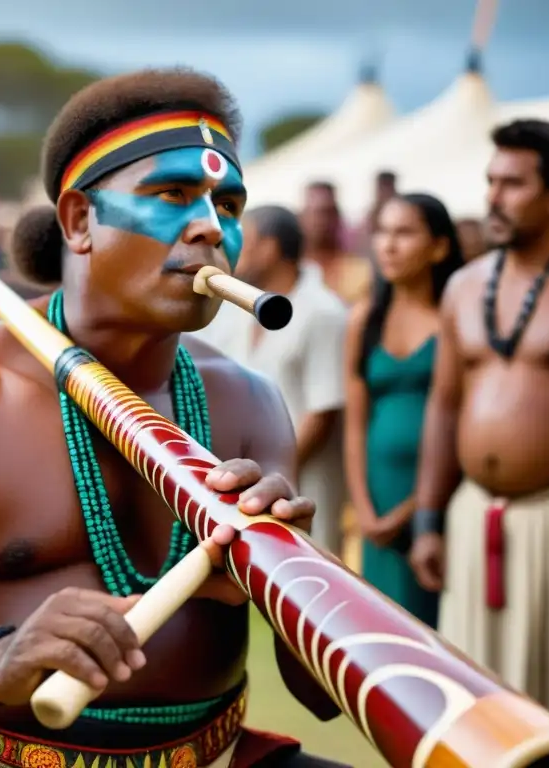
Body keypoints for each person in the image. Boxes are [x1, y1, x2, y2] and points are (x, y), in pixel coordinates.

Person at [0, 68, 349, 768]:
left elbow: (317, 698)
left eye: (228, 204)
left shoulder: (249, 402)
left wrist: (294, 577)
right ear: (80, 220)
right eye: (172, 196)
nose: (211, 226)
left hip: (210, 754)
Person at [407, 119, 549, 735]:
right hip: (473, 516)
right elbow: (445, 406)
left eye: (513, 183)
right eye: (491, 181)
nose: (494, 197)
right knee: (471, 700)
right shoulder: (463, 284)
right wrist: (429, 518)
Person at [195, 205, 348, 555]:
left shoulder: (323, 311)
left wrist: (270, 469)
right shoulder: (241, 311)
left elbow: (322, 414)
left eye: (244, 240)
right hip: (250, 481)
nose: (233, 251)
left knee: (309, 576)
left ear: (269, 247)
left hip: (307, 480)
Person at [343, 193, 464, 627]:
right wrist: (364, 510)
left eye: (404, 233)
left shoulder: (456, 317)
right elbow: (354, 425)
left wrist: (414, 509)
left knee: (436, 626)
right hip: (377, 500)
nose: (388, 246)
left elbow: (461, 421)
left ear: (439, 247)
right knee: (383, 625)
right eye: (383, 232)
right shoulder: (365, 318)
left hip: (436, 497)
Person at [299, 182, 372, 305]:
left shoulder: (360, 271)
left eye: (327, 212)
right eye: (314, 212)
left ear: (337, 216)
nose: (320, 221)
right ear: (301, 217)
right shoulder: (287, 271)